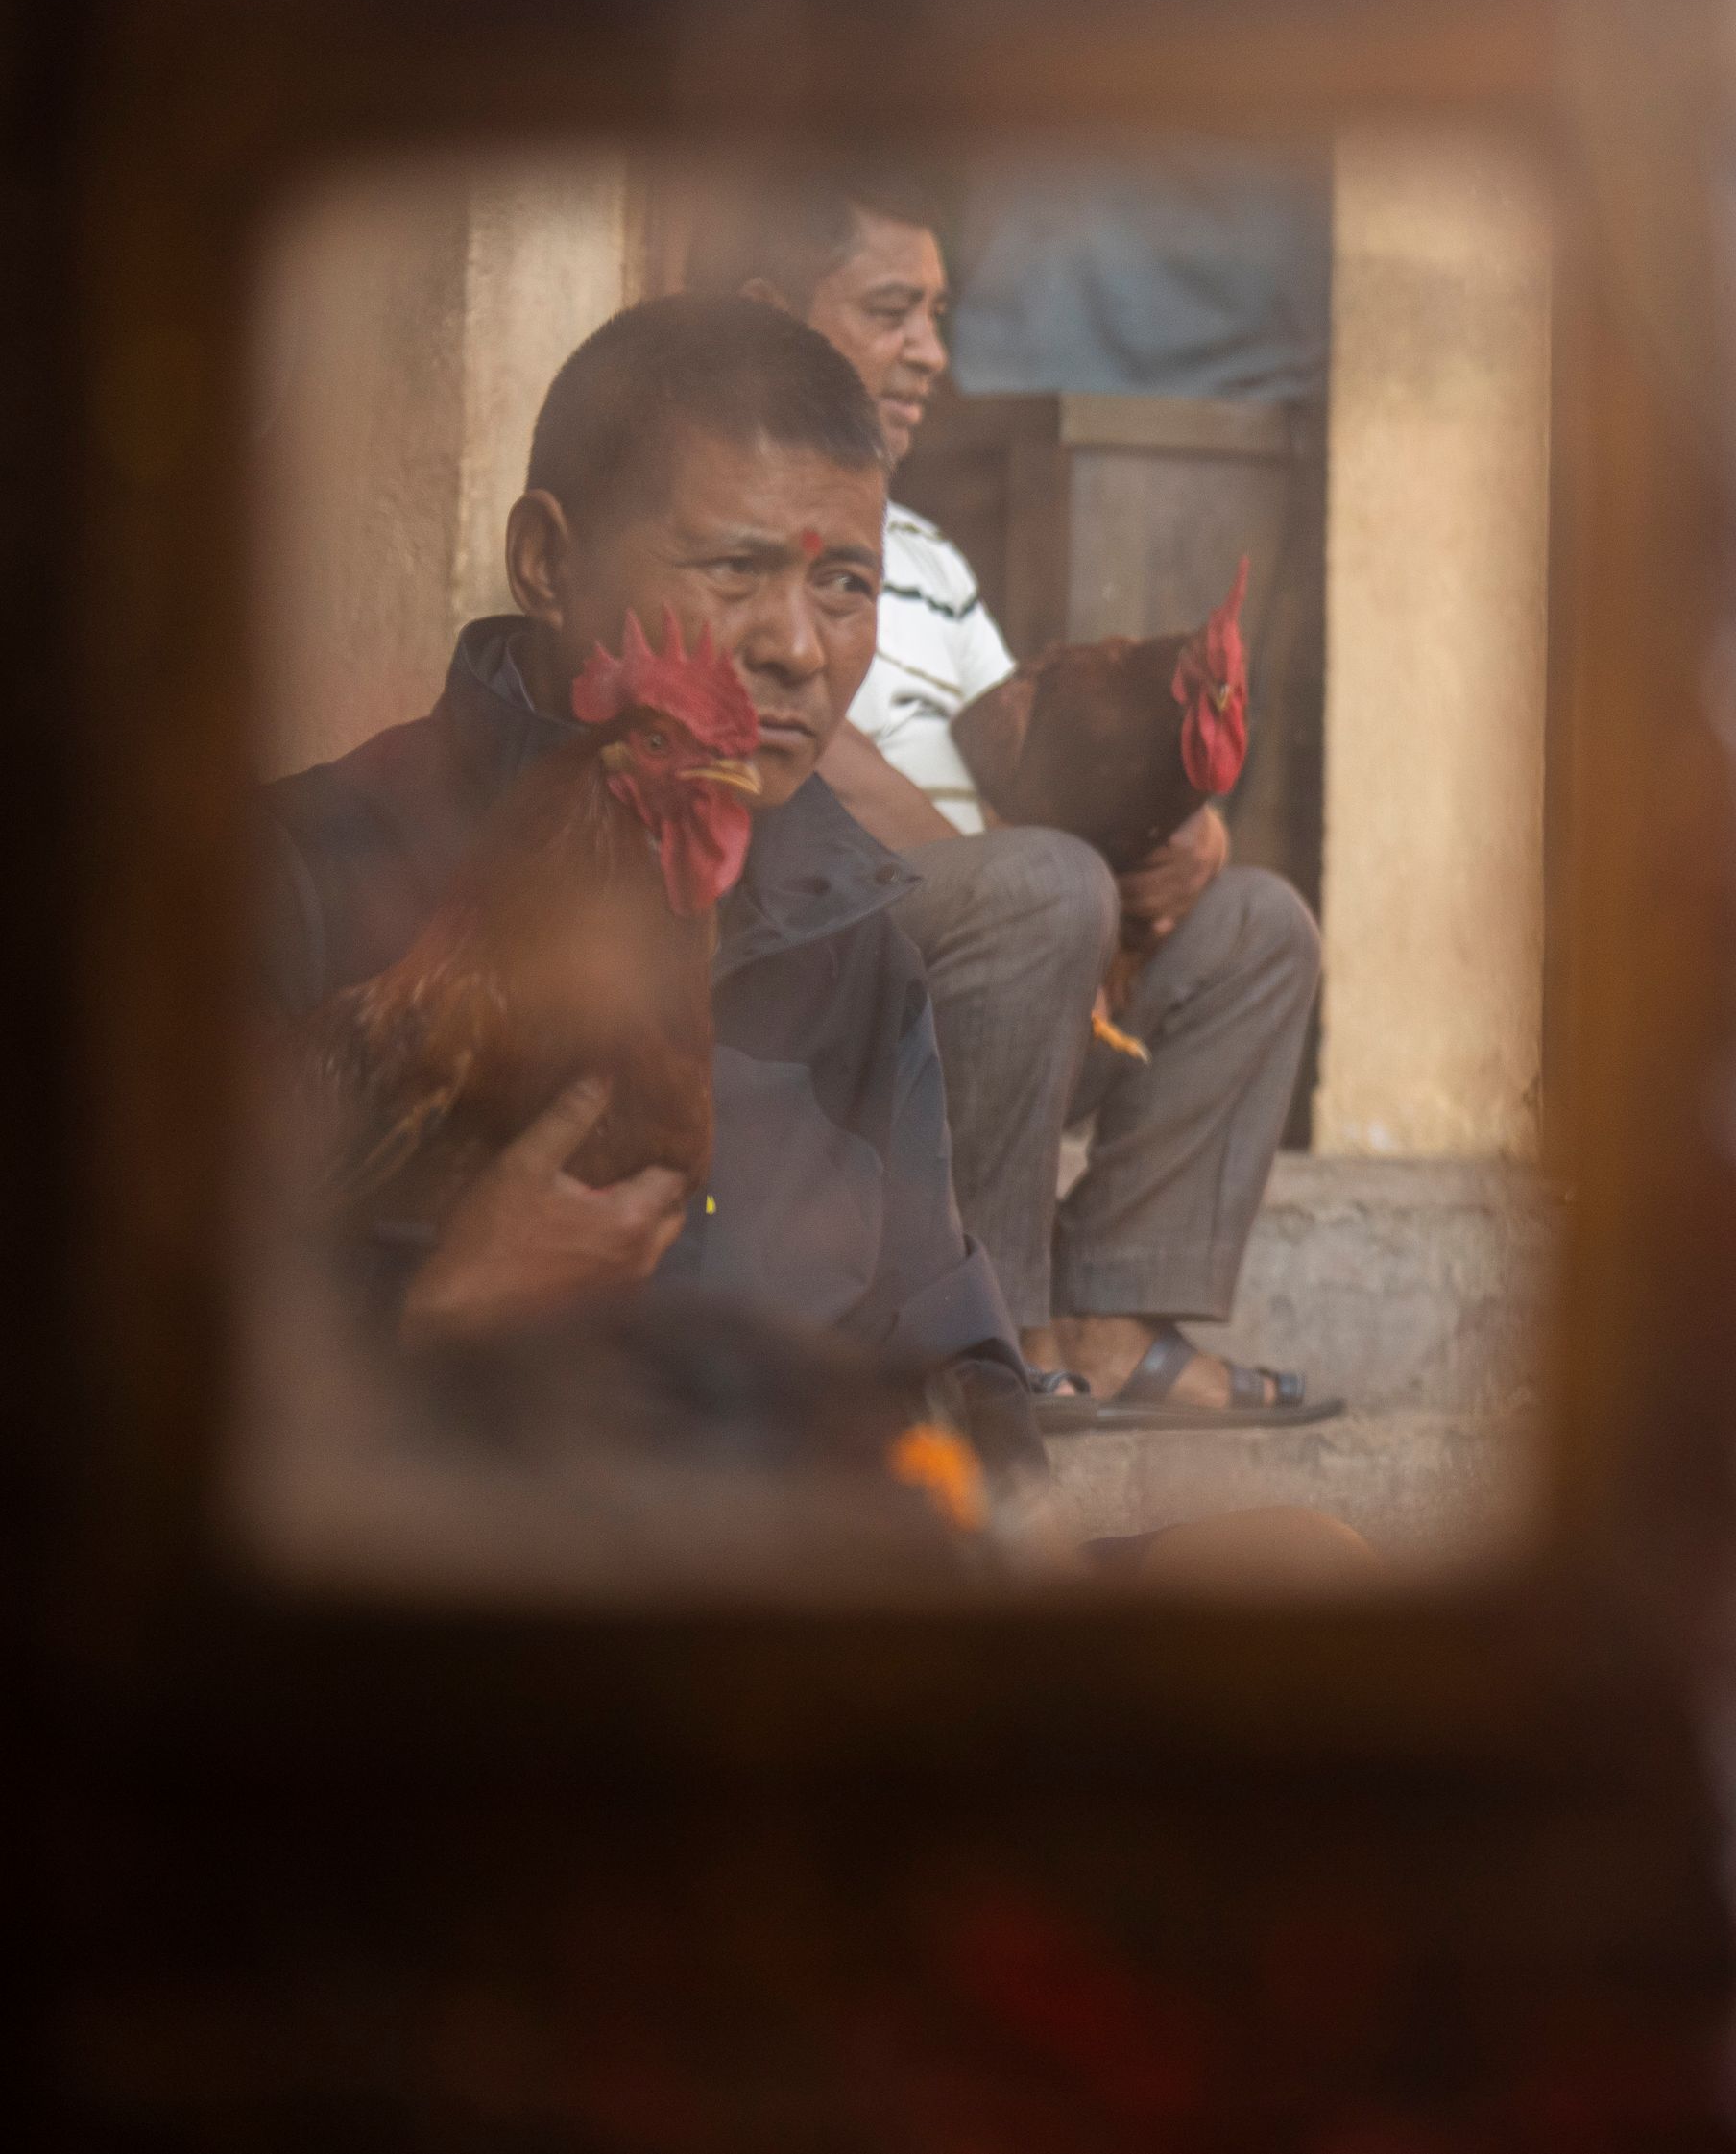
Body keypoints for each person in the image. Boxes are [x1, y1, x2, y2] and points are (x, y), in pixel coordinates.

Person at [260, 296, 1039, 1466]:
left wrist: (991, 1529)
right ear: (547, 560)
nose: (798, 645)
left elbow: (945, 1355)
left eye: (847, 585)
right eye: (736, 566)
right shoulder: (295, 882)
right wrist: (435, 1312)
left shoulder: (856, 943)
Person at [686, 172, 1328, 1423]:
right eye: (891, 311)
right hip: (827, 978)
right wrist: (1050, 886)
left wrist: (1151, 847)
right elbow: (787, 752)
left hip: (1013, 977)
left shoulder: (923, 554)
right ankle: (977, 1335)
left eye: (939, 312)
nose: (932, 352)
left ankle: (1111, 1321)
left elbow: (1017, 772)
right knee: (1046, 887)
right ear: (771, 313)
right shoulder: (725, 519)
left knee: (1256, 923)